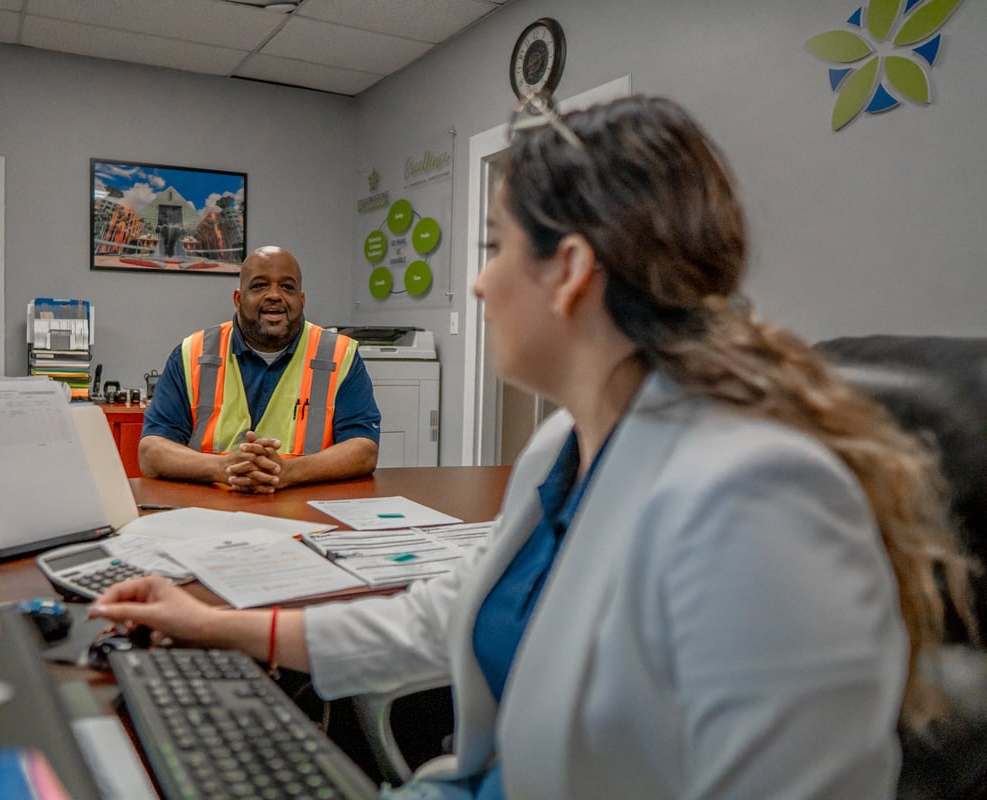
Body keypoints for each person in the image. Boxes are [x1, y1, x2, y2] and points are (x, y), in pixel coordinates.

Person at [90, 94, 976, 798]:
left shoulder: (760, 508)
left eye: (496, 247)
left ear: (574, 272)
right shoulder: (565, 449)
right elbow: (444, 615)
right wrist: (218, 626)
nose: (476, 281)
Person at [140, 245, 380, 493]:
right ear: (238, 299)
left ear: (302, 300)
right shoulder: (193, 353)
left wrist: (287, 472)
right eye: (259, 286)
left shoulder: (339, 355)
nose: (274, 295)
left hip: (306, 512)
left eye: (287, 287)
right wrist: (223, 468)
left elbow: (363, 450)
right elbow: (152, 451)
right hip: (213, 513)